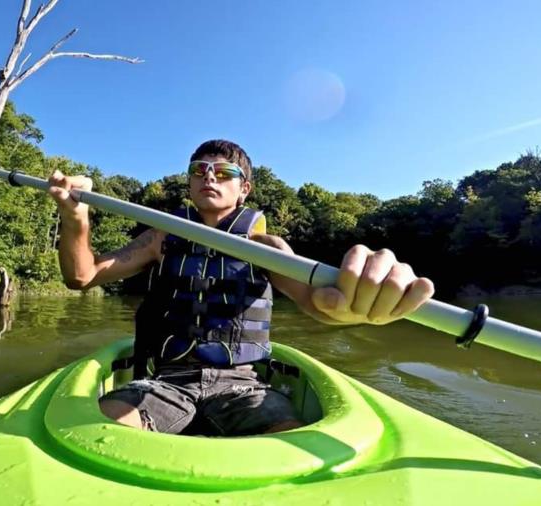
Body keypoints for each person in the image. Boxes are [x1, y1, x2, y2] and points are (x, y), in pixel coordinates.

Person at [47, 139, 434, 436]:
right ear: (190, 183)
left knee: (290, 442)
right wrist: (75, 216)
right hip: (165, 380)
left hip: (243, 384)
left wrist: (356, 304)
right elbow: (82, 276)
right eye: (199, 170)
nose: (209, 176)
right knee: (98, 429)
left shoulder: (267, 248)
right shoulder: (159, 238)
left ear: (244, 189)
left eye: (223, 171)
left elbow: (318, 303)